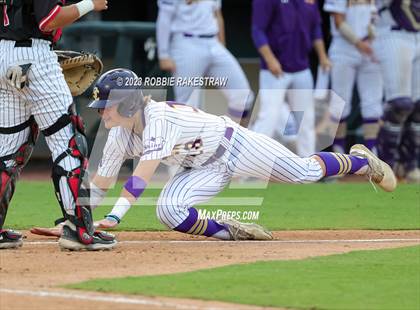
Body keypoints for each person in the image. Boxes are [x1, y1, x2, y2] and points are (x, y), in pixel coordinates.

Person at [84, 68, 396, 239]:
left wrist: (114, 216)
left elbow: (143, 175)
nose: (102, 113)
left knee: (304, 173)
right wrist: (77, 219)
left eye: (107, 106)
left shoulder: (159, 118)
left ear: (127, 103)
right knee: (168, 210)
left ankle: (361, 162)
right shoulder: (119, 134)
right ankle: (231, 230)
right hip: (198, 169)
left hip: (233, 146)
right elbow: (100, 183)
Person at [0, 0, 116, 250]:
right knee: (68, 142)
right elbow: (49, 19)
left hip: (3, 56)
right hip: (34, 55)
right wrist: (89, 4)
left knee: (7, 152)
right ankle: (79, 230)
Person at [251, 0, 331, 157]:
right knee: (269, 118)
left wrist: (322, 56)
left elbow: (315, 29)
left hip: (301, 68)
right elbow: (257, 30)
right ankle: (250, 167)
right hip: (274, 70)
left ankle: (309, 167)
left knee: (306, 119)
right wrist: (270, 59)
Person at [156, 0, 254, 126]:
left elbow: (217, 14)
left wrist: (222, 45)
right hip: (186, 43)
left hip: (213, 42)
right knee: (187, 106)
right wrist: (163, 54)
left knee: (243, 96)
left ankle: (230, 138)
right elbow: (164, 18)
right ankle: (182, 144)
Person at [324, 0, 383, 154]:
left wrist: (373, 35)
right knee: (340, 102)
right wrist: (358, 42)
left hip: (370, 47)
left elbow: (377, 18)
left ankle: (372, 152)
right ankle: (338, 150)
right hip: (344, 47)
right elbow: (338, 21)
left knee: (373, 102)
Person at [373, 0, 420, 182]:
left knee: (418, 107)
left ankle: (410, 164)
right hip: (393, 31)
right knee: (400, 104)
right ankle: (386, 164)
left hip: (417, 34)